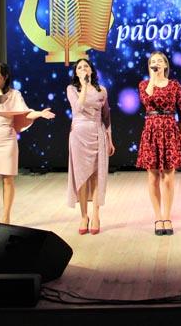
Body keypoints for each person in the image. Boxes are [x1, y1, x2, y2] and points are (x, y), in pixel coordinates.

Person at [0, 62, 54, 229]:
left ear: (5, 77)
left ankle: (6, 217)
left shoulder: (14, 94)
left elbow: (25, 113)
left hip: (7, 139)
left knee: (8, 179)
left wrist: (40, 113)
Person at [137, 51, 181, 236]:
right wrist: (153, 78)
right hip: (151, 131)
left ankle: (167, 216)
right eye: (153, 61)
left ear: (165, 65)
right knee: (153, 177)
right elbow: (146, 100)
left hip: (170, 130)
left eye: (160, 61)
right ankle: (158, 217)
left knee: (168, 177)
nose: (156, 63)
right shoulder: (144, 84)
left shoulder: (174, 85)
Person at [66, 58, 115, 235]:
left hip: (97, 133)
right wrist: (84, 86)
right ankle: (83, 216)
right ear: (76, 72)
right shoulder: (72, 89)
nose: (83, 69)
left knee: (96, 176)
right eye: (79, 67)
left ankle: (96, 215)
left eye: (86, 66)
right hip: (79, 135)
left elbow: (106, 116)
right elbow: (78, 108)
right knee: (81, 177)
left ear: (92, 70)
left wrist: (110, 139)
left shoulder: (102, 90)